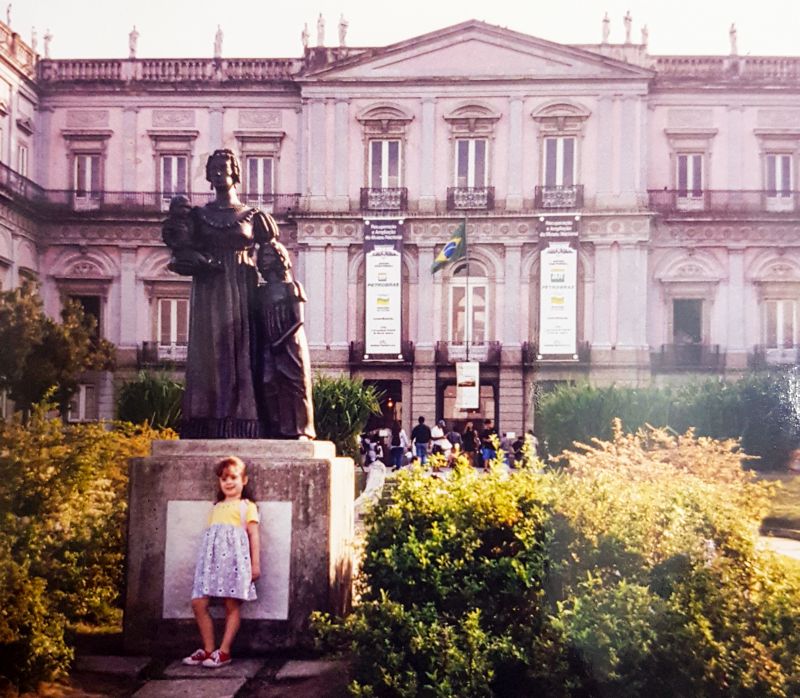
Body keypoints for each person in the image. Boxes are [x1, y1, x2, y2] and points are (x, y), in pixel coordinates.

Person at [171, 150, 266, 438]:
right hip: (209, 289)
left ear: (236, 172)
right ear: (208, 176)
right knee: (209, 351)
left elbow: (275, 257)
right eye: (213, 168)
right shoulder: (199, 216)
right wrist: (195, 258)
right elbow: (180, 249)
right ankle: (206, 420)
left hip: (243, 288)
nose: (219, 172)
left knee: (244, 352)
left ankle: (245, 421)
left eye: (225, 167)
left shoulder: (254, 216)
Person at [183, 456, 260, 668]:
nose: (228, 482)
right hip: (211, 562)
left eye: (233, 477)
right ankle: (208, 649)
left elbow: (254, 536)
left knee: (231, 604)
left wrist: (255, 565)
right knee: (199, 602)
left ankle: (223, 651)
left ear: (244, 480)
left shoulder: (247, 507)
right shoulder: (216, 507)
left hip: (234, 563)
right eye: (224, 478)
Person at [254, 213, 315, 439]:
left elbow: (299, 319)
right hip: (270, 345)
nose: (266, 258)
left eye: (271, 254)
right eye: (263, 255)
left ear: (281, 257)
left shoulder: (292, 287)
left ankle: (302, 429)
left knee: (296, 385)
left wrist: (280, 342)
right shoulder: (260, 291)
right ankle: (276, 428)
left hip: (290, 344)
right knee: (268, 384)